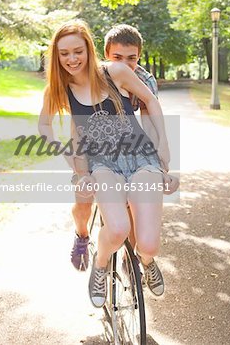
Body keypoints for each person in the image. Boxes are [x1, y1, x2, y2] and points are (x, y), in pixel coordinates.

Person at [38, 20, 171, 308]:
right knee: (118, 226)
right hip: (101, 163)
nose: (72, 59)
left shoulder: (116, 72)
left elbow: (150, 100)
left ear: (89, 48)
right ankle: (100, 264)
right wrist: (70, 156)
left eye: (78, 51)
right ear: (56, 56)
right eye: (64, 54)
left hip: (140, 157)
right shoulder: (59, 89)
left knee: (148, 244)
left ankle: (146, 262)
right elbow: (45, 126)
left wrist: (164, 146)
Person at [71, 24, 179, 275]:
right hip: (94, 148)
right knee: (84, 201)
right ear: (106, 55)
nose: (125, 64)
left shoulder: (144, 80)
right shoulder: (92, 75)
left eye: (132, 58)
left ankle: (129, 261)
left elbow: (149, 117)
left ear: (139, 57)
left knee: (133, 202)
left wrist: (159, 156)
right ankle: (82, 234)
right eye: (118, 57)